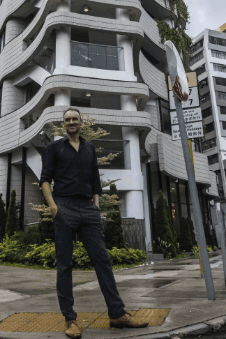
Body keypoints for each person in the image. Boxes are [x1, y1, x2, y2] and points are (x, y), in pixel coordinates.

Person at [40, 107, 149, 339]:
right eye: (67, 119)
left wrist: (96, 206)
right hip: (64, 207)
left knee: (103, 261)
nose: (71, 122)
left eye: (75, 119)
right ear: (63, 124)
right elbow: (45, 179)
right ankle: (70, 320)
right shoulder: (54, 148)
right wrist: (53, 207)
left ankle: (117, 313)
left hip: (88, 209)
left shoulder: (89, 148)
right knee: (64, 265)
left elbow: (95, 180)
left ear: (80, 123)